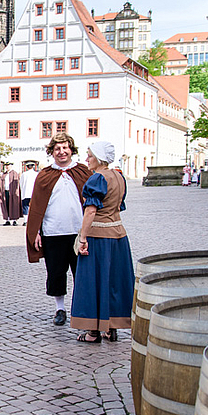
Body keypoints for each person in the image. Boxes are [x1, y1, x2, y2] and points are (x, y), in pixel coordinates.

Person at [25, 133, 92, 326]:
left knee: (82, 273)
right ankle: (60, 309)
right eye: (57, 149)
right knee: (56, 273)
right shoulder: (45, 175)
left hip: (79, 233)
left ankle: (81, 309)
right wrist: (36, 231)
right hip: (53, 231)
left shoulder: (83, 172)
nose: (61, 152)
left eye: (65, 148)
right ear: (52, 152)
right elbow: (36, 206)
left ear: (71, 149)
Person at [70, 141, 134, 343]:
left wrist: (83, 237)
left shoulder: (97, 178)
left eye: (89, 155)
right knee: (113, 280)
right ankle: (110, 326)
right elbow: (118, 206)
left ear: (98, 157)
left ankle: (93, 331)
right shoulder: (118, 176)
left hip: (99, 237)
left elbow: (90, 210)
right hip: (118, 236)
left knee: (93, 281)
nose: (86, 158)